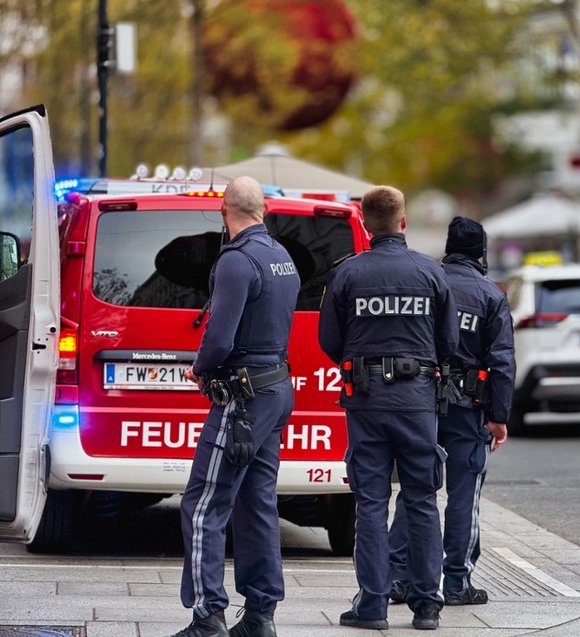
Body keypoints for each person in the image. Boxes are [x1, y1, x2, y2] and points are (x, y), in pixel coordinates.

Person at [318, 185, 458, 631]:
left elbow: (329, 341)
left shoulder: (347, 274)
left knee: (371, 503)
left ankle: (373, 606)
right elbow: (449, 342)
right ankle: (427, 605)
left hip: (367, 399)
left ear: (363, 223)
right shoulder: (431, 273)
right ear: (403, 222)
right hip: (418, 401)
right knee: (421, 501)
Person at [167, 176, 300, 637]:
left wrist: (201, 369)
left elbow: (220, 337)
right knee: (258, 502)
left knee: (203, 502)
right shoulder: (283, 257)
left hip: (241, 400)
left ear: (225, 212)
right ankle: (261, 615)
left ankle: (208, 616)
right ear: (264, 210)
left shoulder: (236, 261)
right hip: (275, 391)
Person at [388, 217, 516, 607]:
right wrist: (499, 415)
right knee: (463, 495)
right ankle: (456, 581)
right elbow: (502, 362)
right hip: (468, 407)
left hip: (421, 400)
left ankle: (398, 577)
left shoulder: (428, 282)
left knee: (416, 489)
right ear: (482, 252)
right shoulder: (490, 295)